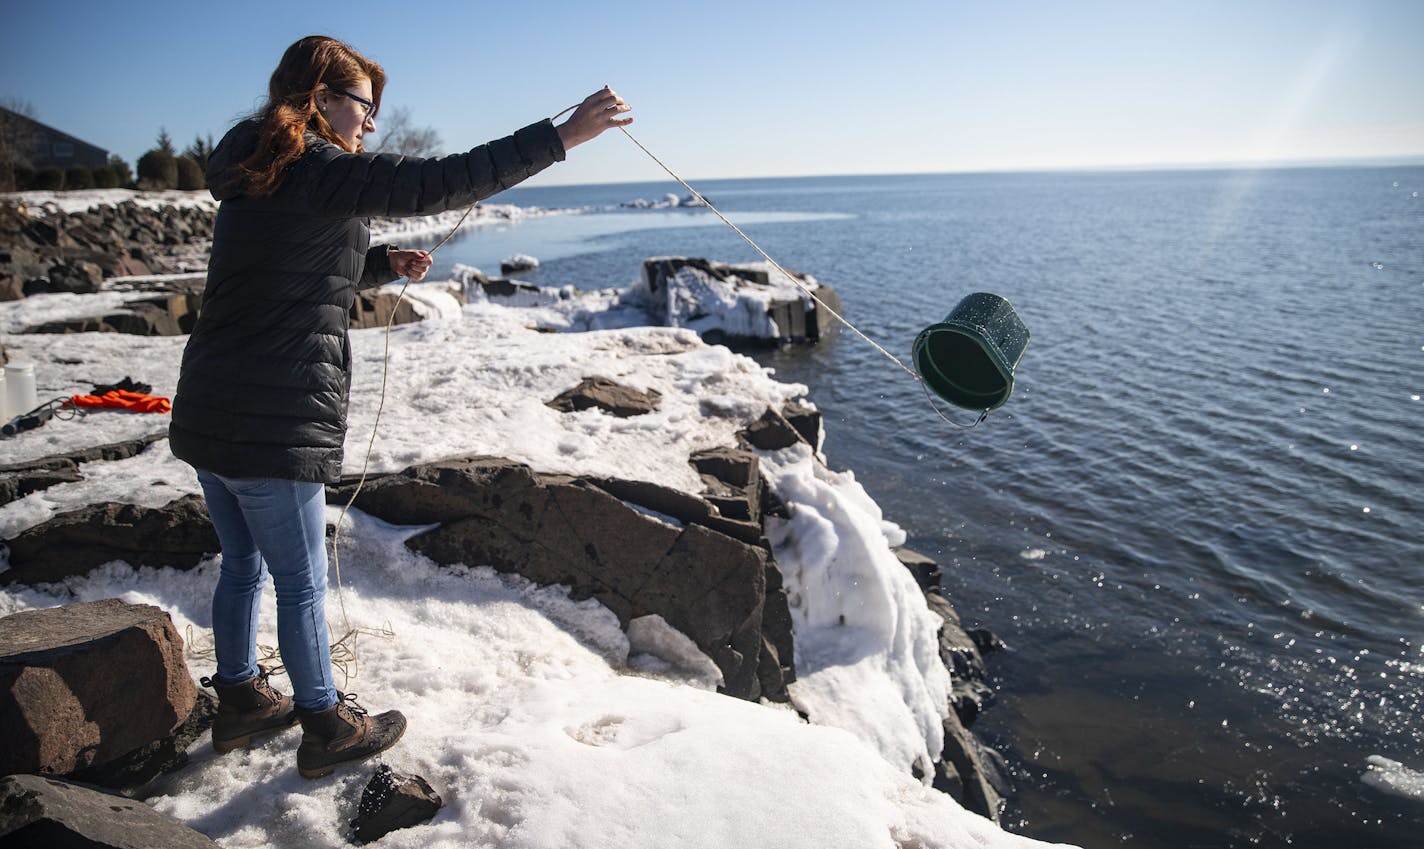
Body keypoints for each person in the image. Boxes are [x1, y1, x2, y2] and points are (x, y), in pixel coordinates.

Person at [169, 35, 631, 779]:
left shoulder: (259, 171)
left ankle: (244, 700)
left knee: (242, 567)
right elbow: (440, 182)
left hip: (211, 411)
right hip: (270, 421)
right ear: (321, 101)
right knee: (300, 583)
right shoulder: (319, 167)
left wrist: (377, 264)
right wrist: (564, 135)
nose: (371, 125)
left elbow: (284, 269)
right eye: (362, 106)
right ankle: (325, 722)